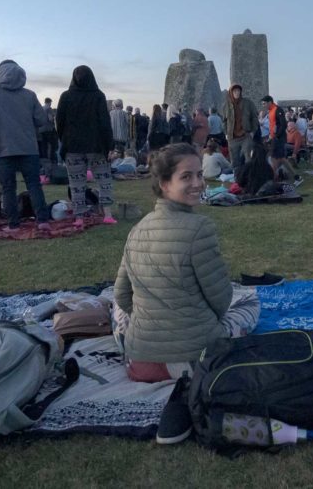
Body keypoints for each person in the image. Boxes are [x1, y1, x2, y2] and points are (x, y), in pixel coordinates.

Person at [112, 143, 261, 384]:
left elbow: (121, 295)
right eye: (186, 176)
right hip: (196, 360)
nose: (198, 183)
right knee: (250, 301)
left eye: (200, 174)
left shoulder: (136, 230)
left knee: (118, 310)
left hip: (140, 363)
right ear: (164, 184)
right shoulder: (200, 229)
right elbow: (221, 299)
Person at [0, 60, 51, 231]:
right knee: (34, 185)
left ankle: (13, 224)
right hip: (29, 147)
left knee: (8, 188)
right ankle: (42, 221)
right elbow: (41, 120)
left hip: (3, 148)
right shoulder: (30, 95)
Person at [56, 65, 116, 226]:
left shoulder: (66, 96)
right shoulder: (98, 96)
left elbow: (59, 121)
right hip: (96, 146)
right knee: (104, 180)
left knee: (77, 183)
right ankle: (107, 214)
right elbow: (105, 123)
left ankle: (79, 217)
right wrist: (109, 145)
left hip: (73, 146)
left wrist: (64, 139)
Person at [221, 84, 259, 170]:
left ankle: (249, 177)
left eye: (238, 91)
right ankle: (237, 178)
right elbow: (224, 121)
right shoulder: (226, 105)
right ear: (231, 92)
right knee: (234, 161)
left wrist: (253, 131)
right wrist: (226, 132)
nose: (237, 93)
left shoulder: (248, 103)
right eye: (235, 91)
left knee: (248, 158)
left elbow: (254, 117)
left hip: (246, 135)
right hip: (232, 137)